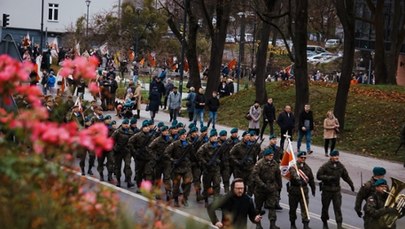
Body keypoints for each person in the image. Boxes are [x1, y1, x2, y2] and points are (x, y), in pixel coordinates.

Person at [316, 150, 355, 229]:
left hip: (336, 190)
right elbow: (318, 176)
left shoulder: (340, 166)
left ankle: (339, 225)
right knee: (325, 207)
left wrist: (351, 184)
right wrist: (329, 178)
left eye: (337, 156)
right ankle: (325, 223)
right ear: (331, 157)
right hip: (327, 190)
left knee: (337, 208)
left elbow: (345, 176)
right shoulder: (325, 166)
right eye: (334, 156)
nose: (337, 157)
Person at [252, 148, 282, 229]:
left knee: (272, 206)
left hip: (271, 188)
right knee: (258, 208)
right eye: (269, 155)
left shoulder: (275, 163)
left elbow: (278, 175)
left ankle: (272, 224)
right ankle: (258, 224)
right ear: (265, 155)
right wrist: (262, 184)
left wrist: (279, 186)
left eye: (272, 155)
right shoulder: (259, 163)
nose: (271, 157)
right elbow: (255, 175)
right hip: (260, 189)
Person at [163, 129, 193, 207]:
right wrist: (172, 160)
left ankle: (185, 199)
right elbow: (166, 153)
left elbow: (193, 155)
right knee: (176, 185)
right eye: (182, 134)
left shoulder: (189, 145)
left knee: (188, 182)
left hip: (186, 167)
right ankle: (176, 200)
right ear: (179, 136)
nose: (184, 136)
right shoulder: (175, 144)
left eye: (185, 134)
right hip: (177, 168)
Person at [287, 151, 316, 229]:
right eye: (301, 157)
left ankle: (305, 224)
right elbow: (294, 174)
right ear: (298, 158)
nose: (303, 159)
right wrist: (298, 180)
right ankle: (292, 224)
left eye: (304, 158)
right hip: (294, 190)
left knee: (305, 208)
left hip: (304, 190)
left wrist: (313, 188)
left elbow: (311, 179)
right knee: (293, 208)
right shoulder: (293, 166)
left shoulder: (307, 168)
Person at [111, 119, 135, 188]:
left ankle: (129, 181)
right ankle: (118, 181)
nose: (126, 125)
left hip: (127, 152)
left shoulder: (130, 132)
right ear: (122, 124)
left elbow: (133, 141)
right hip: (118, 151)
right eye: (125, 124)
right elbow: (111, 140)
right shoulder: (117, 132)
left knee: (128, 166)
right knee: (118, 167)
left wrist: (131, 149)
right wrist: (114, 149)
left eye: (127, 124)